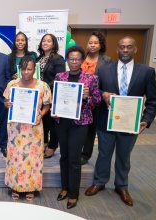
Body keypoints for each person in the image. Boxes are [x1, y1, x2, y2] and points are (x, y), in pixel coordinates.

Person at [85, 36, 156, 207]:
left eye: (129, 47)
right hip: (107, 120)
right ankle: (99, 182)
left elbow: (153, 100)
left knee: (124, 156)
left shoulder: (147, 72)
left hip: (130, 123)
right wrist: (103, 94)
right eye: (122, 47)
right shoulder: (104, 70)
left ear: (135, 49)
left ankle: (122, 186)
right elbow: (96, 90)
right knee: (104, 153)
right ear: (117, 50)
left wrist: (146, 120)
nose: (125, 50)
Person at [53, 46, 101, 209]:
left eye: (77, 59)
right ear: (67, 60)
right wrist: (55, 109)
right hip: (62, 122)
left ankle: (74, 194)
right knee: (64, 156)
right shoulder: (60, 76)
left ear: (82, 61)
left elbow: (97, 100)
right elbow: (56, 97)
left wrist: (87, 98)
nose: (74, 61)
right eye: (71, 58)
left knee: (74, 159)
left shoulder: (91, 78)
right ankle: (65, 187)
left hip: (80, 124)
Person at [4, 56, 51, 201]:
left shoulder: (42, 86)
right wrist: (7, 104)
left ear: (34, 70)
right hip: (16, 128)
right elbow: (6, 101)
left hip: (34, 129)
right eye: (23, 68)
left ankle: (31, 186)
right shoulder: (13, 84)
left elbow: (47, 104)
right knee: (15, 156)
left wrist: (41, 115)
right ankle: (15, 186)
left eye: (29, 69)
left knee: (33, 157)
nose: (26, 72)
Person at [80, 31, 112, 165]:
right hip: (80, 99)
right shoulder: (81, 58)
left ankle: (86, 154)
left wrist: (100, 92)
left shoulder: (107, 60)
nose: (92, 45)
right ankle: (76, 150)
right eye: (90, 42)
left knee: (91, 128)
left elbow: (108, 81)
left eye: (95, 43)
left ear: (101, 45)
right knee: (78, 127)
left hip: (96, 99)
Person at [37, 33, 66, 158]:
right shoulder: (39, 59)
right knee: (43, 121)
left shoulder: (58, 59)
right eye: (44, 40)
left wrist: (45, 88)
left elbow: (60, 78)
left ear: (53, 44)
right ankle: (43, 142)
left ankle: (53, 146)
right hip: (40, 96)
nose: (45, 43)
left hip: (52, 95)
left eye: (49, 41)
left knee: (53, 123)